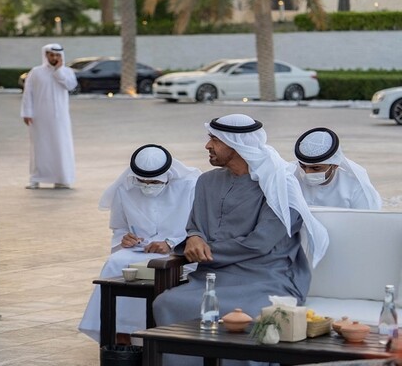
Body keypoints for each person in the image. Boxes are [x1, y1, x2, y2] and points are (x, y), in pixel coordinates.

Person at [152, 114, 329, 366]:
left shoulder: (280, 185)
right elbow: (195, 226)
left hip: (266, 277)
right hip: (213, 277)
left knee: (248, 315)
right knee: (166, 302)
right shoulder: (206, 181)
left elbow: (260, 243)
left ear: (236, 145)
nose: (208, 146)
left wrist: (205, 250)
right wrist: (194, 237)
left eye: (215, 140)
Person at [78, 144, 201, 343]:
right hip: (139, 250)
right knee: (115, 263)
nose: (148, 186)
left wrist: (171, 242)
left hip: (179, 251)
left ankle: (150, 333)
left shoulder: (190, 186)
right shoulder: (125, 188)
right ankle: (120, 333)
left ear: (168, 176)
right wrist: (125, 238)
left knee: (160, 268)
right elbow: (119, 227)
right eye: (142, 181)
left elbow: (199, 227)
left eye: (154, 182)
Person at [20, 43, 77, 189]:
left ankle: (62, 179)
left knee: (61, 146)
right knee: (39, 147)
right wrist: (27, 112)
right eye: (52, 55)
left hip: (60, 118)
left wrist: (59, 71)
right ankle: (35, 179)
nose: (54, 58)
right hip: (39, 117)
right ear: (46, 55)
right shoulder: (36, 72)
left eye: (57, 55)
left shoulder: (67, 72)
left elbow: (70, 86)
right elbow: (28, 93)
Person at [291, 127, 382, 210]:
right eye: (303, 166)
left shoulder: (355, 186)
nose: (307, 172)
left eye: (316, 168)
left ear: (335, 165)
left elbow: (367, 218)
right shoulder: (291, 176)